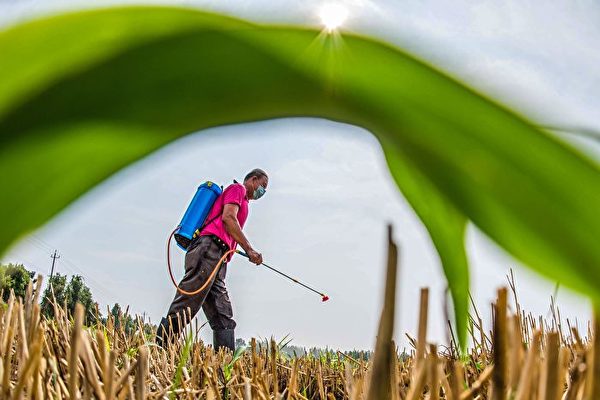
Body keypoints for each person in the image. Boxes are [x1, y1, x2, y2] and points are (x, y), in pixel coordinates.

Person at [156, 168, 268, 351]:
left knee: (223, 315)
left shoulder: (244, 201)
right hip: (209, 250)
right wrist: (249, 249)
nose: (262, 192)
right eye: (262, 186)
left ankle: (225, 367)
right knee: (188, 301)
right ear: (253, 179)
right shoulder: (237, 189)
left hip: (219, 259)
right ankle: (159, 349)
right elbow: (228, 218)